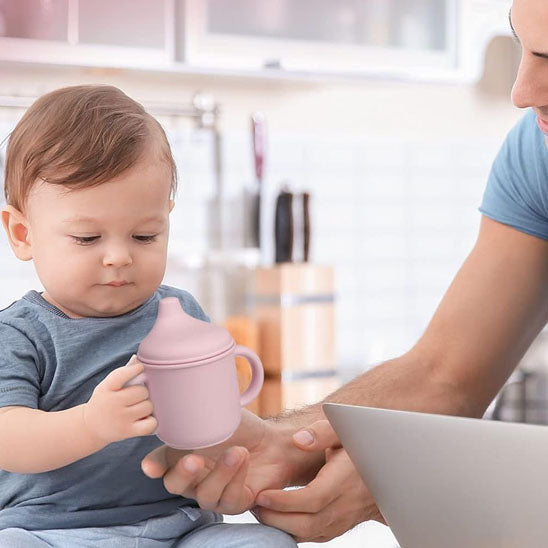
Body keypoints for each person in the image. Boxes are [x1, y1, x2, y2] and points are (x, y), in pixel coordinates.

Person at [140, 0, 548, 543]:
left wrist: (418, 473)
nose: (521, 91)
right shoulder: (536, 152)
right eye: (522, 45)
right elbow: (445, 374)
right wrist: (284, 443)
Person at [0, 84, 297, 547]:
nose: (118, 256)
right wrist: (90, 425)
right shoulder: (18, 335)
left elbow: (217, 428)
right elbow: (8, 437)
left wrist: (221, 442)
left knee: (266, 542)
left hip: (179, 525)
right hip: (54, 533)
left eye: (143, 236)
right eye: (86, 238)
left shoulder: (180, 315)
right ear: (22, 234)